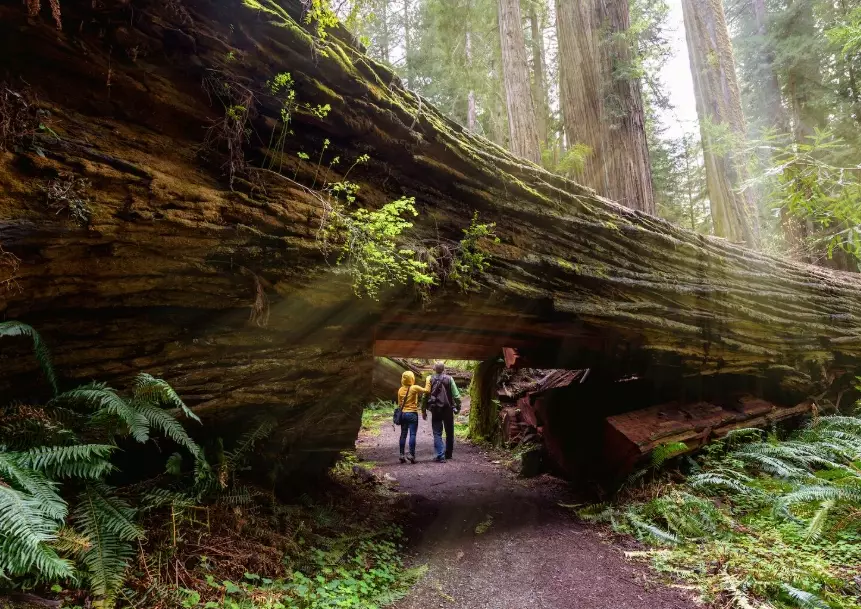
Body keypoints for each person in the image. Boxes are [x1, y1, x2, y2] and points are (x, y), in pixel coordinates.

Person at [422, 362, 462, 463]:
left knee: (437, 432)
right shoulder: (450, 379)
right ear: (443, 369)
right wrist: (458, 406)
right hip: (448, 409)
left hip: (435, 409)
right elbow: (456, 396)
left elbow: (425, 395)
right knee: (449, 432)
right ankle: (448, 454)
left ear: (434, 369)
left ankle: (440, 455)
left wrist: (423, 410)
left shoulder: (429, 379)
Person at [396, 370, 428, 464]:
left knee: (403, 434)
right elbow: (427, 390)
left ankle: (401, 454)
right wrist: (428, 381)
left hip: (403, 414)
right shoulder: (414, 388)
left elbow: (399, 404)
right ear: (412, 379)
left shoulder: (400, 390)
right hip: (412, 414)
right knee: (412, 434)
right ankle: (411, 455)